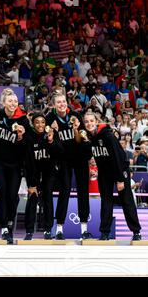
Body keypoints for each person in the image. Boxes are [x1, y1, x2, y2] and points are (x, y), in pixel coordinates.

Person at [83, 112, 142, 241]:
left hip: (119, 169)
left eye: (91, 121)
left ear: (97, 121)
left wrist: (120, 179)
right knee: (106, 202)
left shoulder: (108, 135)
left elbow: (116, 157)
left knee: (126, 200)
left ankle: (136, 231)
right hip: (104, 172)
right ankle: (105, 232)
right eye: (86, 121)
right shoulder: (89, 137)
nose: (89, 123)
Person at [46, 93, 93, 240]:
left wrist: (76, 130)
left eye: (64, 101)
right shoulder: (49, 119)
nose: (62, 104)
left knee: (83, 192)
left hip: (79, 158)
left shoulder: (75, 116)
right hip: (62, 160)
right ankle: (59, 229)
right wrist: (53, 131)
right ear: (53, 104)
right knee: (64, 191)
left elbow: (82, 139)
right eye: (59, 102)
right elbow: (50, 144)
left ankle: (84, 229)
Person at [0, 88, 30, 243]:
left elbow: (27, 144)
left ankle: (10, 219)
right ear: (3, 103)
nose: (13, 104)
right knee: (1, 192)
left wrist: (21, 137)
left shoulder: (23, 119)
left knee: (12, 196)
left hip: (16, 163)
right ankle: (5, 226)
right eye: (10, 101)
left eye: (15, 101)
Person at [24, 113, 63, 240]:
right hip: (34, 173)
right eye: (37, 122)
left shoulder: (52, 134)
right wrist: (31, 182)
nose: (40, 124)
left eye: (42, 122)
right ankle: (29, 231)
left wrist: (51, 141)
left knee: (48, 199)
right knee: (32, 199)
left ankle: (47, 230)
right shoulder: (29, 137)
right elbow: (28, 161)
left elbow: (60, 153)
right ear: (33, 124)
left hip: (49, 173)